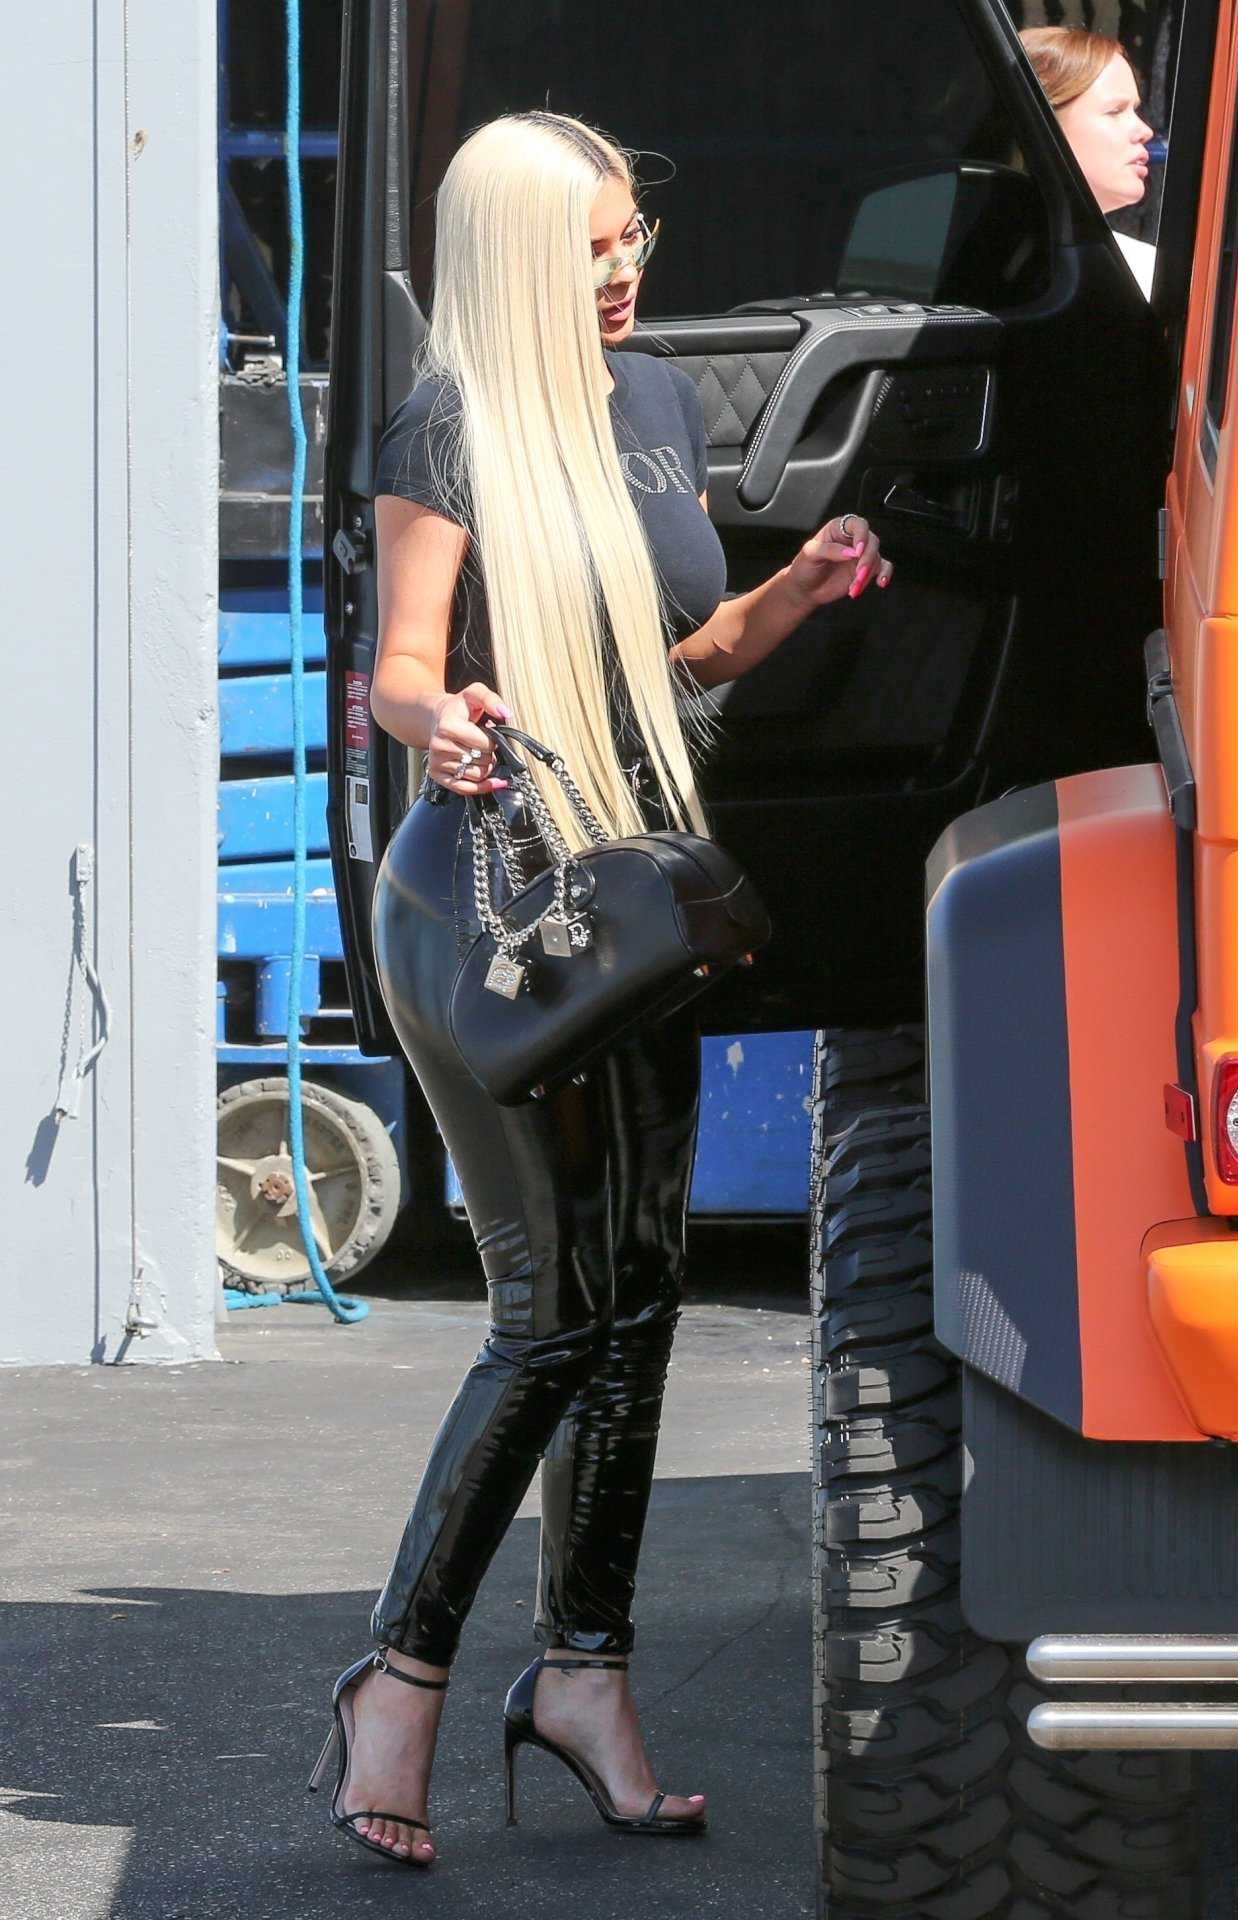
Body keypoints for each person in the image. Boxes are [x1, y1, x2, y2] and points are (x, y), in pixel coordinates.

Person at [309, 110, 894, 1869]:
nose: (627, 267)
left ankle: (585, 1677)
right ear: (512, 258)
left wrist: (794, 593)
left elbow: (674, 670)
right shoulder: (448, 431)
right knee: (552, 1315)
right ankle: (400, 1675)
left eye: (634, 233)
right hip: (497, 909)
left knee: (641, 1301)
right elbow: (400, 672)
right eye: (589, 245)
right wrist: (446, 720)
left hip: (633, 901)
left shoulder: (654, 407)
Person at [1020, 26, 1157, 297]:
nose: (1145, 131)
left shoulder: (1147, 272)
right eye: (1115, 111)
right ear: (1043, 125)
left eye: (1135, 110)